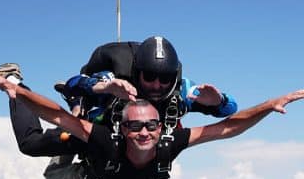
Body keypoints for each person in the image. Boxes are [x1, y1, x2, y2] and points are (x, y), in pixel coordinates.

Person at [0, 65, 304, 179]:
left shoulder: (170, 142)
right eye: (135, 126)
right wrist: (14, 91)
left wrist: (268, 105)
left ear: (161, 128)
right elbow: (53, 115)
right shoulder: (107, 138)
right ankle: (21, 80)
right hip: (87, 173)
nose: (144, 132)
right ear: (124, 128)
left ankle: (79, 107)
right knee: (37, 150)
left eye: (150, 125)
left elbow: (227, 128)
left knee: (70, 127)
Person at [56, 36, 237, 124]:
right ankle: (78, 106)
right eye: (149, 77)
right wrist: (102, 87)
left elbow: (231, 108)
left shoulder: (183, 90)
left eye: (165, 78)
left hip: (142, 153)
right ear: (138, 73)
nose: (157, 85)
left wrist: (218, 101)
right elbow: (73, 84)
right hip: (105, 126)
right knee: (74, 124)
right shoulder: (118, 83)